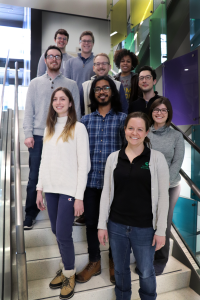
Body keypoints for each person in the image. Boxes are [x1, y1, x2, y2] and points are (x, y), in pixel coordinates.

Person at [98, 112, 169, 300]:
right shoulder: (113, 158)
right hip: (116, 226)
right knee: (120, 271)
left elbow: (163, 197)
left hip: (145, 229)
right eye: (131, 128)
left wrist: (161, 230)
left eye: (140, 129)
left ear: (147, 132)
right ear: (125, 130)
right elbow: (106, 193)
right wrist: (101, 225)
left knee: (146, 272)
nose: (134, 133)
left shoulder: (157, 158)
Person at [36, 87, 90, 300]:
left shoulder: (78, 128)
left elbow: (83, 165)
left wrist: (79, 196)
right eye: (55, 99)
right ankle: (65, 265)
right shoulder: (49, 128)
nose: (58, 102)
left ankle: (69, 274)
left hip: (68, 190)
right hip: (50, 188)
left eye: (63, 99)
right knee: (56, 232)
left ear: (70, 103)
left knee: (63, 233)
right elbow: (43, 162)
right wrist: (39, 189)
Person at [75, 76, 127, 284]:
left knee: (115, 224)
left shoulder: (123, 119)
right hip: (90, 182)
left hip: (115, 184)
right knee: (90, 224)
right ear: (93, 94)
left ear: (112, 92)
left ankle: (113, 260)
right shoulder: (85, 122)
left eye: (106, 88)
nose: (102, 91)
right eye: (98, 89)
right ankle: (94, 261)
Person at [23, 45, 81, 230]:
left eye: (57, 56)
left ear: (61, 60)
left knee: (66, 173)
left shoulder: (71, 84)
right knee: (34, 177)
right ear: (45, 59)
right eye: (50, 56)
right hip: (40, 136)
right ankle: (31, 213)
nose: (54, 59)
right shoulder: (35, 83)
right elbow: (29, 110)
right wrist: (28, 133)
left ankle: (67, 211)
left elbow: (76, 111)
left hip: (63, 135)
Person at [148, 97, 185, 275]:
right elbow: (141, 160)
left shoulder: (176, 135)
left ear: (168, 113)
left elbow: (177, 162)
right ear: (151, 112)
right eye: (156, 109)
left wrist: (163, 183)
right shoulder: (144, 133)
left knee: (164, 222)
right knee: (148, 221)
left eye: (163, 110)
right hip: (146, 185)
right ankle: (147, 255)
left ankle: (161, 259)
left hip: (170, 187)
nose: (159, 113)